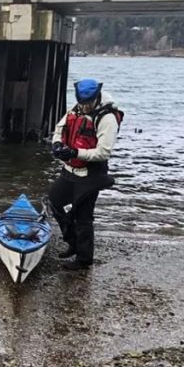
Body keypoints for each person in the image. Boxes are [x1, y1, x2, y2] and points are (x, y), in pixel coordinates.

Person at [47, 78, 124, 270]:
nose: (85, 107)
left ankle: (84, 259)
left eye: (88, 103)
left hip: (92, 174)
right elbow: (59, 129)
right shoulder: (77, 108)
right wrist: (57, 144)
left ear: (96, 97)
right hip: (70, 170)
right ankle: (72, 241)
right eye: (82, 103)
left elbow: (103, 152)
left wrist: (75, 153)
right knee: (54, 201)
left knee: (83, 216)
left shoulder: (107, 118)